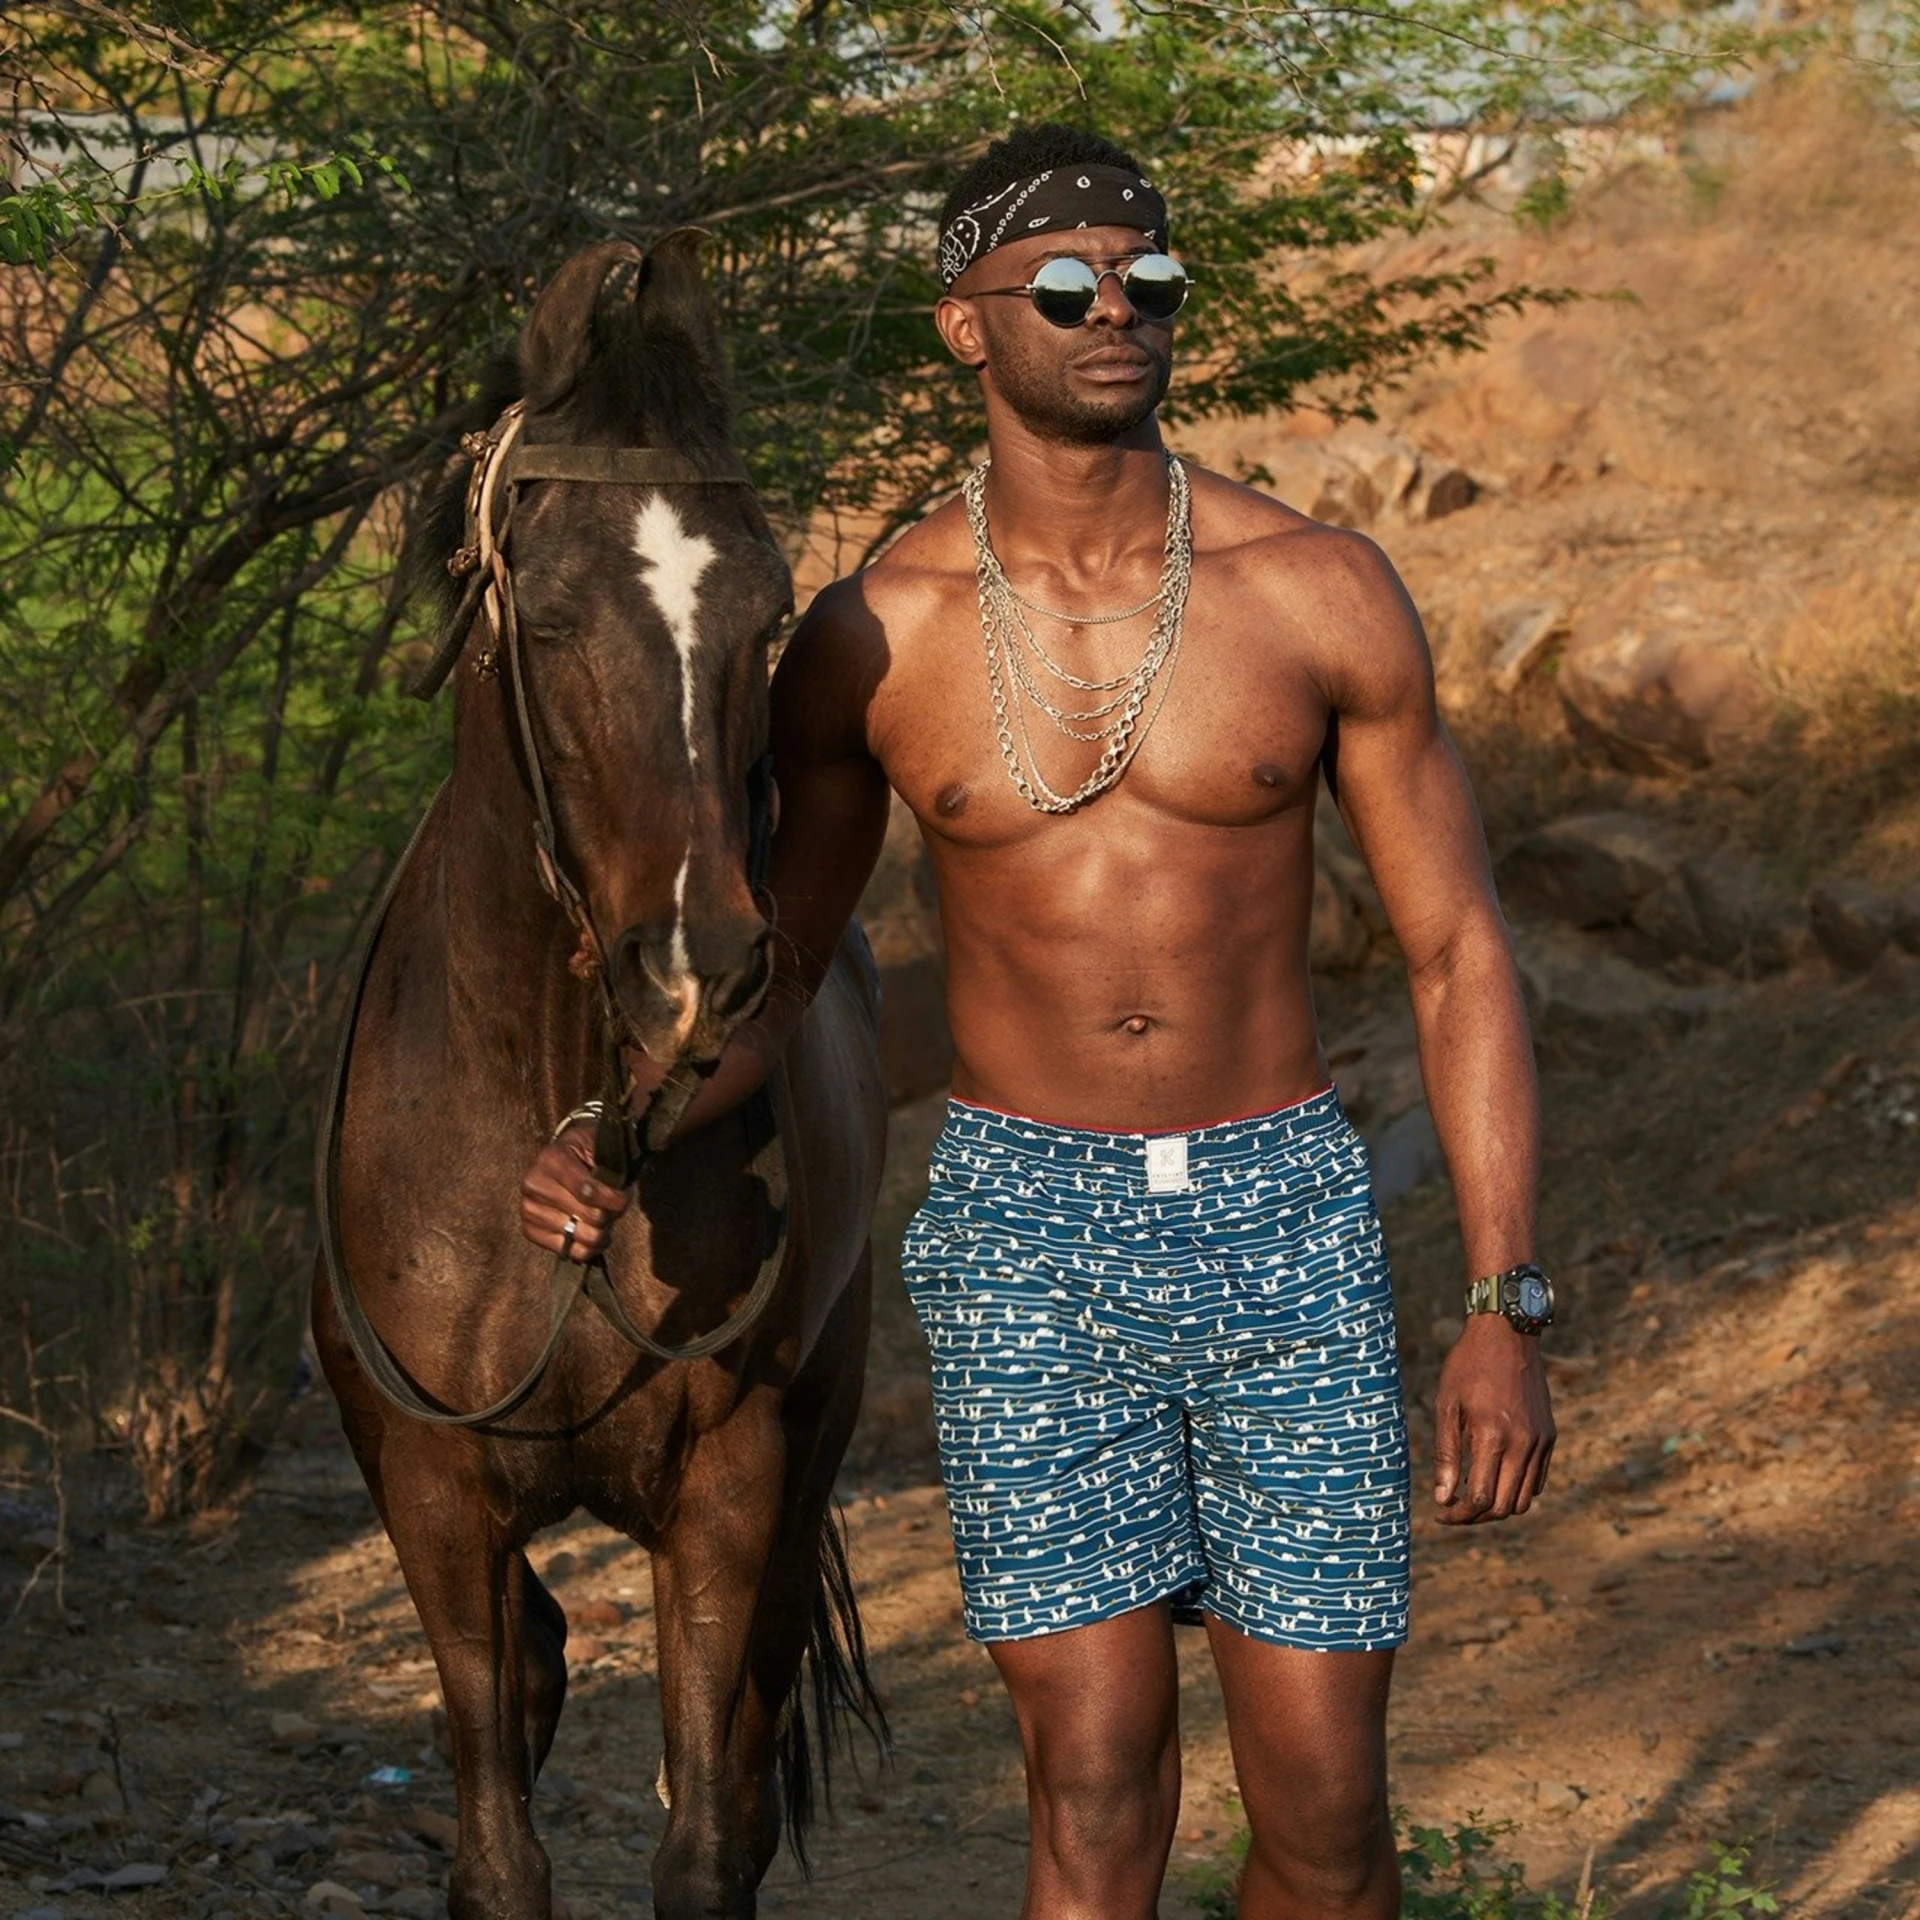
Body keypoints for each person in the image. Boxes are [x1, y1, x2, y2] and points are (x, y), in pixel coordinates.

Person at [519, 123, 1556, 1920]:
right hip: (1024, 1232)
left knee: (1325, 1825)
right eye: (1066, 286)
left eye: (1149, 283)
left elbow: (1460, 953)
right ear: (965, 327)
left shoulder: (1318, 591)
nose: (1118, 314)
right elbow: (788, 969)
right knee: (1088, 1796)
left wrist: (1499, 1302)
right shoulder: (873, 636)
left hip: (1284, 1218)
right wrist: (622, 1129)